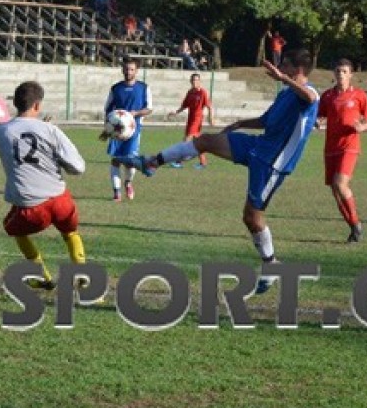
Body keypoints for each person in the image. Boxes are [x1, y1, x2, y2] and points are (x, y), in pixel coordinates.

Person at [117, 49, 319, 294]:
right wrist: (239, 123)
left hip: (273, 163)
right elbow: (266, 121)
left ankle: (271, 263)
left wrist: (283, 78)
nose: (280, 69)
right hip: (258, 146)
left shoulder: (309, 94)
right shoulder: (286, 93)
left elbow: (309, 98)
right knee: (205, 141)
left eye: (284, 65)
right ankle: (151, 162)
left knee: (252, 218)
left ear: (297, 70)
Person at [0, 81, 89, 291]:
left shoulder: (0, 131)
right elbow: (78, 167)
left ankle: (41, 276)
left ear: (15, 103)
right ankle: (81, 270)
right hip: (60, 200)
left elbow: (7, 151)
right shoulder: (50, 130)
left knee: (13, 228)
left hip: (31, 207)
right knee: (70, 232)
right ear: (37, 105)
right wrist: (48, 135)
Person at [317, 59, 367, 242]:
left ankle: (356, 224)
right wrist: (317, 121)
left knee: (340, 184)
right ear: (334, 74)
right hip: (330, 147)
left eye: (344, 71)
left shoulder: (359, 95)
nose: (341, 74)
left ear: (351, 74)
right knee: (335, 191)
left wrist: (362, 127)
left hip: (349, 146)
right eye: (338, 71)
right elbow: (320, 115)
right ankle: (354, 227)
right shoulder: (327, 96)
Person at [103, 57, 152, 201]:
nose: (128, 72)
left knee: (130, 162)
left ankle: (128, 182)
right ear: (122, 70)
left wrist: (135, 114)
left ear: (136, 71)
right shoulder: (116, 88)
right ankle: (116, 192)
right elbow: (108, 109)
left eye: (131, 69)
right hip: (116, 130)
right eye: (126, 69)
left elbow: (149, 108)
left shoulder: (144, 88)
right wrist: (107, 129)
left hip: (133, 130)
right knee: (116, 160)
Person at [167, 73, 214, 169]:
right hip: (190, 119)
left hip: (197, 120)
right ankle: (203, 163)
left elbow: (209, 106)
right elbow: (184, 105)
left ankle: (179, 162)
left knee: (186, 140)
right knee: (197, 142)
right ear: (190, 81)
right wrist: (176, 112)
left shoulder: (202, 92)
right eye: (193, 80)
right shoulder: (190, 92)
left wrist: (211, 119)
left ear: (200, 81)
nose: (194, 82)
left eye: (196, 80)